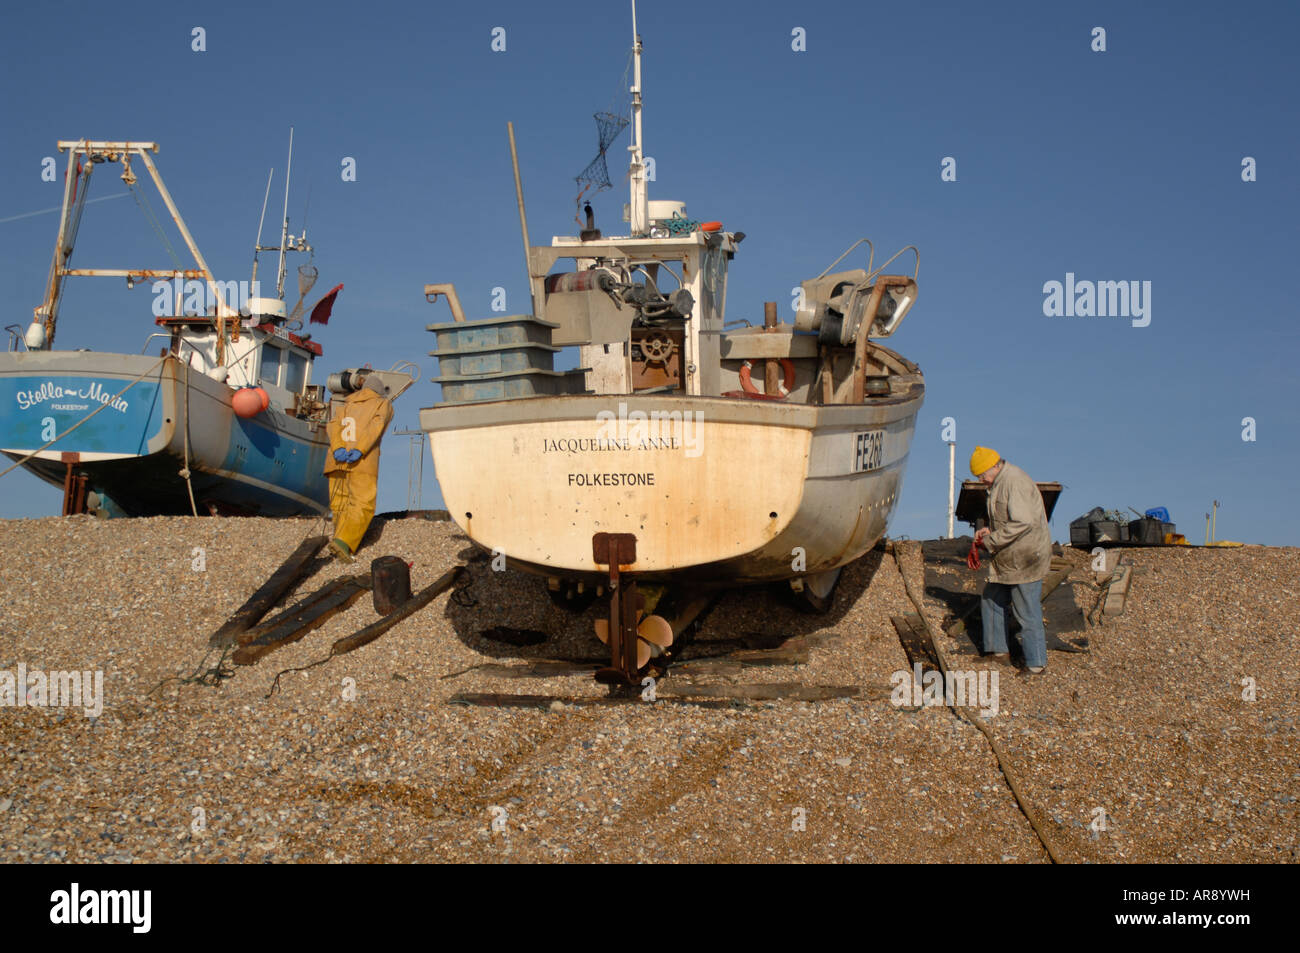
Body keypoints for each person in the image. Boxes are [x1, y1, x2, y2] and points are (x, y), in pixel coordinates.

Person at [970, 446, 1052, 675]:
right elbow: (1009, 520)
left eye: (982, 475)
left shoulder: (1015, 482)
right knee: (991, 596)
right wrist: (989, 530)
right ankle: (998, 652)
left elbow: (1023, 522)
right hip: (1009, 557)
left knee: (1026, 609)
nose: (981, 480)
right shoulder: (999, 482)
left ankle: (1036, 664)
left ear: (994, 466)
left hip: (1025, 556)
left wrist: (992, 540)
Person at [324, 375, 393, 562]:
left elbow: (332, 427)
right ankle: (343, 543)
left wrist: (338, 448)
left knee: (340, 503)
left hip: (335, 460)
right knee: (362, 503)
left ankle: (337, 539)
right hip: (362, 462)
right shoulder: (381, 404)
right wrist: (359, 450)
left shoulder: (345, 405)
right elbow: (375, 427)